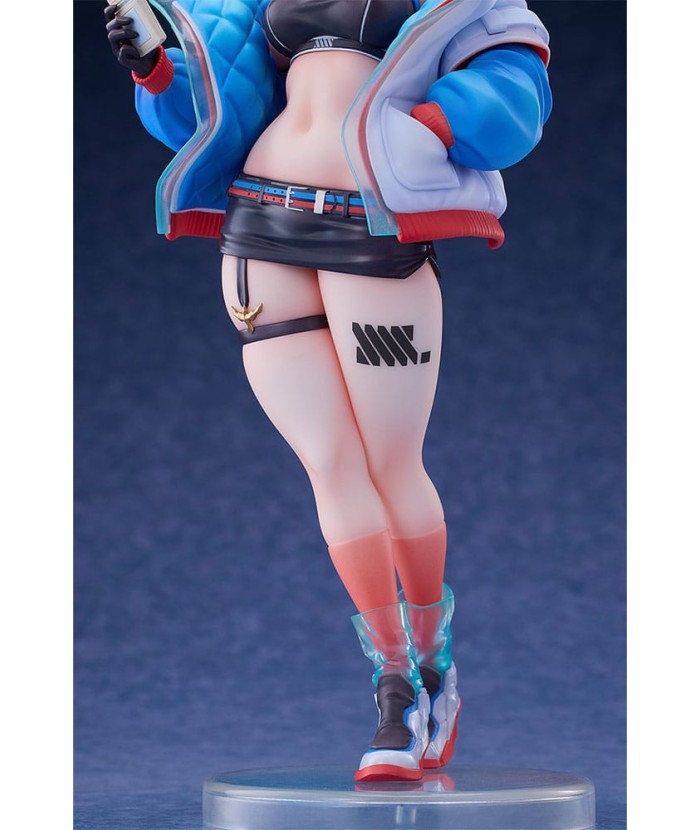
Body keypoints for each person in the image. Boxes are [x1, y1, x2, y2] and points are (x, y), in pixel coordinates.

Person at [104, 0, 552, 781]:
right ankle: (392, 684)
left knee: (391, 463)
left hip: (366, 231)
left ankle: (435, 664)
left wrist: (425, 130)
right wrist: (157, 69)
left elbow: (517, 91)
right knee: (331, 466)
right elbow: (214, 109)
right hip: (261, 228)